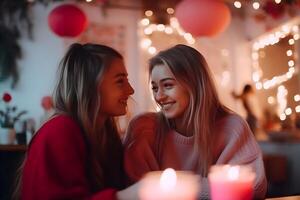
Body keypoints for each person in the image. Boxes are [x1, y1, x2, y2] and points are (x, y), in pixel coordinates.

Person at [124, 44, 267, 199]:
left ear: (194, 84)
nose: (159, 97)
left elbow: (255, 187)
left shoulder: (232, 128)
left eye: (167, 85)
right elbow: (137, 189)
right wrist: (213, 188)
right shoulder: (144, 128)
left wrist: (182, 187)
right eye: (155, 88)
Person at [18, 43, 139, 200]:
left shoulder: (107, 134)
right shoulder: (59, 131)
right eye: (120, 81)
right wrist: (128, 195)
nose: (130, 90)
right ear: (90, 85)